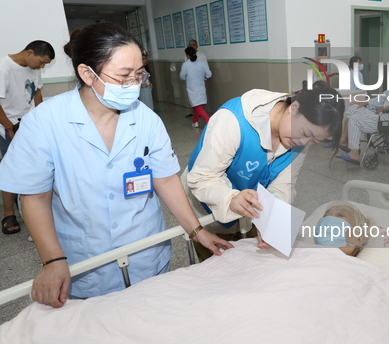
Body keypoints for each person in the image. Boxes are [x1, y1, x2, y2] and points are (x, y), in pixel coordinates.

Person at [0, 22, 232, 307]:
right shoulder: (45, 122)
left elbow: (166, 179)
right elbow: (35, 196)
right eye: (124, 76)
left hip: (146, 251)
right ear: (87, 73)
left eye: (139, 75)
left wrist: (196, 231)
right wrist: (52, 260)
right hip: (86, 261)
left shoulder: (146, 120)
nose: (134, 84)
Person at [181, 86, 344, 261]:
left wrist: (272, 222)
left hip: (248, 213)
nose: (303, 142)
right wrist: (230, 199)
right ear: (293, 108)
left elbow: (283, 186)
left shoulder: (299, 142)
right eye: (305, 133)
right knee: (219, 272)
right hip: (206, 213)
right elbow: (202, 177)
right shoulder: (235, 121)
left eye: (314, 140)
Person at [0, 40, 54, 235]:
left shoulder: (34, 68)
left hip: (29, 124)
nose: (42, 66)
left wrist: (42, 119)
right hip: (8, 125)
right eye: (41, 62)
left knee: (36, 167)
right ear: (30, 52)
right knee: (11, 169)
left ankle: (36, 209)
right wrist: (9, 127)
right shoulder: (4, 68)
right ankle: (8, 214)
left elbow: (37, 93)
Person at [335, 72, 389, 165]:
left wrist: (384, 108)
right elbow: (380, 99)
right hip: (381, 115)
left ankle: (354, 153)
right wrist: (365, 102)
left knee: (355, 119)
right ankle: (344, 141)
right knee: (353, 108)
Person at [180, 46, 212, 128]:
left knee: (197, 106)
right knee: (197, 105)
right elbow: (209, 74)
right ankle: (195, 121)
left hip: (192, 88)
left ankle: (209, 122)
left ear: (188, 56)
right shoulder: (201, 64)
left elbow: (182, 76)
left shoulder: (186, 65)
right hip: (201, 87)